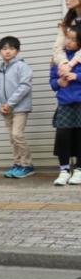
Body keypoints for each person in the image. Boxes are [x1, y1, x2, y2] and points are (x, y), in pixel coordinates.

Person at [0, 36, 34, 178]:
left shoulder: (22, 66)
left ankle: (27, 165)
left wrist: (9, 104)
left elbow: (25, 86)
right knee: (12, 137)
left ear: (17, 51)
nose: (7, 51)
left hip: (20, 108)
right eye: (4, 49)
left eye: (11, 48)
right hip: (5, 109)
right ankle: (17, 164)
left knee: (17, 135)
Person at [49, 23, 81, 186]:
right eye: (67, 38)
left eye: (73, 39)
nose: (68, 41)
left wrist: (76, 76)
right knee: (62, 137)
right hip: (65, 104)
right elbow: (52, 82)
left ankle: (79, 170)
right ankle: (64, 170)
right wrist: (59, 82)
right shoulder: (58, 59)